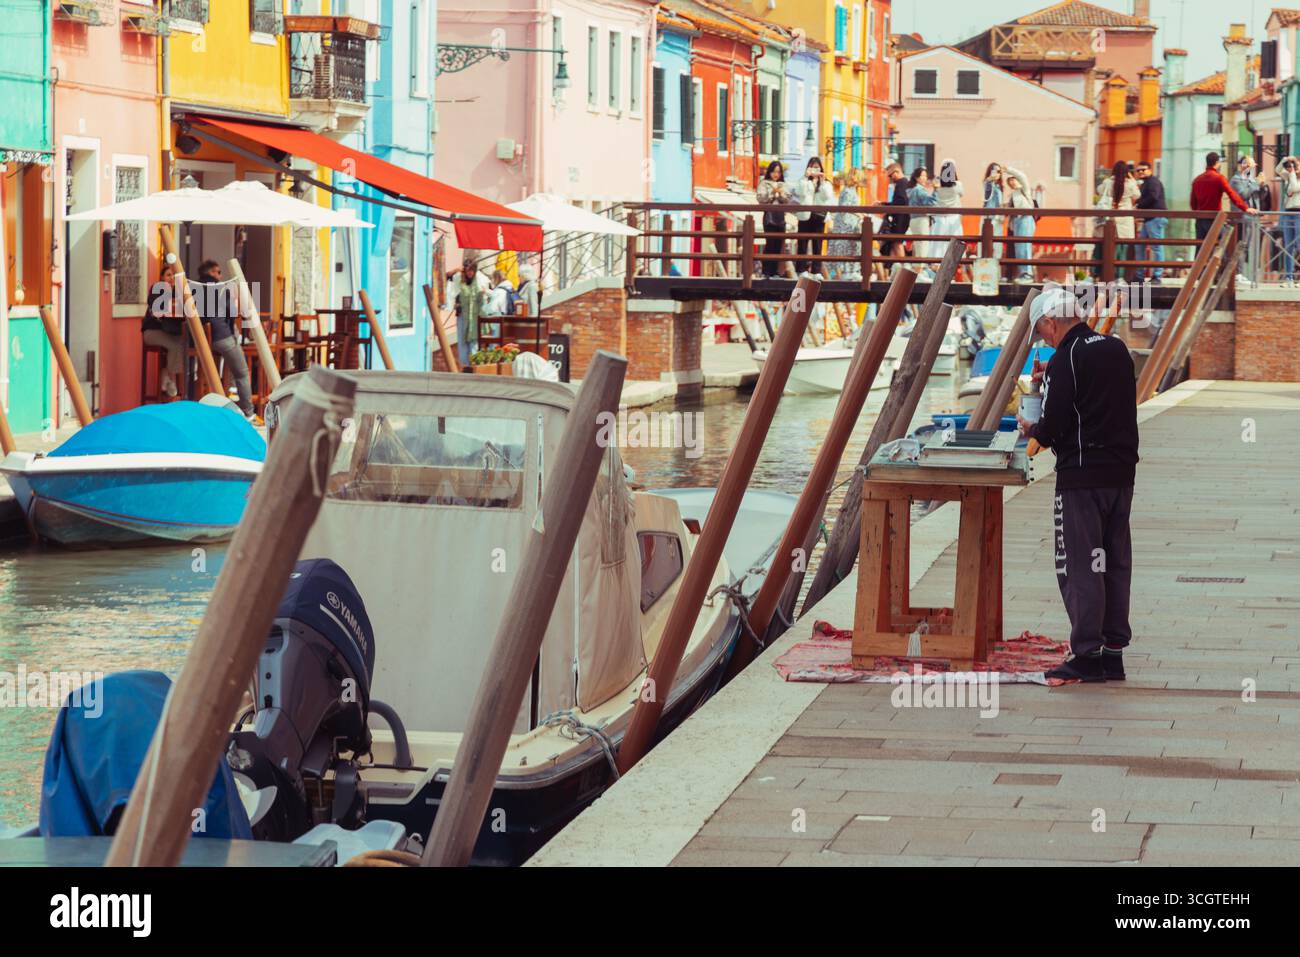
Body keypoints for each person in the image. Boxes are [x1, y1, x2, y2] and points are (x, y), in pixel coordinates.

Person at [1016, 286, 1139, 683]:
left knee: (1081, 565)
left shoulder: (1066, 356)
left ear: (1052, 321)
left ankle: (1087, 654)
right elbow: (1102, 402)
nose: (1044, 340)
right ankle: (1113, 652)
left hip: (1081, 478)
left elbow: (1052, 428)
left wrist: (1031, 426)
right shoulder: (1116, 348)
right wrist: (1052, 378)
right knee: (1114, 562)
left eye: (1042, 331)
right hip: (1120, 475)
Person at [191, 260, 255, 419]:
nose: (220, 276)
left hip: (200, 341)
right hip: (221, 337)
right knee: (242, 373)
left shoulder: (192, 288)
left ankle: (199, 404)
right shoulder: (221, 288)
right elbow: (231, 313)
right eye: (218, 272)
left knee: (201, 374)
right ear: (211, 273)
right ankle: (248, 412)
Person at [1190, 152, 1257, 240]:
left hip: (1200, 220)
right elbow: (1232, 194)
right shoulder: (1219, 178)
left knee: (1200, 248)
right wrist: (1245, 208)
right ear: (1217, 163)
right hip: (1215, 219)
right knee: (1221, 244)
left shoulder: (1197, 180)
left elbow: (1193, 204)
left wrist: (1199, 212)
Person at [142, 262, 184, 398]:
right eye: (168, 275)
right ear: (161, 277)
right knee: (176, 345)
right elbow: (158, 311)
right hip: (152, 332)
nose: (171, 278)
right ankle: (172, 379)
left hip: (168, 333)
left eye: (174, 275)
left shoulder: (179, 293)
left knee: (183, 343)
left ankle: (166, 374)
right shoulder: (157, 289)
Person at [1095, 161, 1141, 278]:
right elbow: (1137, 195)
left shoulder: (1107, 182)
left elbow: (1099, 190)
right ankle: (1119, 276)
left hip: (1111, 219)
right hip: (1125, 220)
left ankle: (1104, 274)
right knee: (1122, 251)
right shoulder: (1130, 184)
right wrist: (1131, 178)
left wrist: (1111, 178)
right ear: (1127, 172)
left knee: (1108, 249)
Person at [447, 254, 489, 368]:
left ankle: (475, 365)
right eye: (468, 270)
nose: (470, 273)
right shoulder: (459, 279)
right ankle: (465, 366)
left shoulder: (480, 280)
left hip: (475, 317)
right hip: (462, 315)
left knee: (474, 341)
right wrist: (456, 270)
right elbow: (446, 277)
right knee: (462, 341)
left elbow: (487, 293)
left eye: (472, 270)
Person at [794, 156, 834, 277]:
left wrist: (821, 182)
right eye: (812, 167)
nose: (815, 170)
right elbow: (800, 192)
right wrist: (806, 178)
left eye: (817, 168)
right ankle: (802, 270)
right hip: (805, 215)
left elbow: (827, 196)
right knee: (803, 243)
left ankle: (816, 271)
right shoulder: (803, 180)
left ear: (821, 169)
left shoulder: (826, 182)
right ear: (808, 168)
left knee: (818, 245)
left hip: (819, 215)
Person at [757, 159, 795, 278]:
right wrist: (773, 193)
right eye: (774, 171)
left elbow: (788, 199)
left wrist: (781, 193)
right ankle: (766, 271)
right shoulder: (764, 183)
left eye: (778, 172)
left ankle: (776, 272)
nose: (776, 174)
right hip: (769, 216)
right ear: (770, 172)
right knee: (770, 244)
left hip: (780, 217)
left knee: (779, 245)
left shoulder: (784, 184)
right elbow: (760, 199)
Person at [1133, 161, 1168, 283]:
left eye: (1143, 169)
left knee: (1156, 247)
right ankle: (1140, 275)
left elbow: (1153, 196)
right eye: (1138, 170)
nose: (1140, 172)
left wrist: (1139, 205)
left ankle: (1157, 276)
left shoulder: (1153, 182)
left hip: (1155, 217)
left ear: (1150, 170)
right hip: (1150, 218)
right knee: (1140, 246)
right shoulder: (1147, 183)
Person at [827, 171, 862, 279]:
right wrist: (860, 214)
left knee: (848, 247)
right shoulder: (847, 191)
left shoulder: (852, 190)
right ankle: (842, 274)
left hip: (849, 222)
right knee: (843, 247)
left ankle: (848, 272)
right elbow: (846, 207)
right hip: (845, 223)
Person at [1004, 166, 1035, 283]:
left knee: (1025, 247)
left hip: (1025, 219)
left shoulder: (1024, 189)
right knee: (1019, 248)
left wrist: (1008, 170)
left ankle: (1028, 274)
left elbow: (1023, 176)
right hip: (1017, 222)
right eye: (1009, 180)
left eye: (1013, 179)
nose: (1011, 182)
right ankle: (1023, 273)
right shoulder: (1013, 194)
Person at [879, 162, 911, 268]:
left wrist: (884, 206)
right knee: (894, 244)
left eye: (890, 175)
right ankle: (894, 270)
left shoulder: (901, 183)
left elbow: (901, 201)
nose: (890, 178)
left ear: (896, 172)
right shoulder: (904, 183)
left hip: (900, 218)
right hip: (902, 217)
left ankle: (904, 270)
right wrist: (884, 204)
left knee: (897, 243)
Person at [906, 166, 937, 263]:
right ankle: (920, 271)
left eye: (925, 176)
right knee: (923, 245)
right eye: (922, 175)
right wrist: (936, 190)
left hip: (914, 220)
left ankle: (918, 270)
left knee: (918, 246)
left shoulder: (912, 190)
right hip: (921, 219)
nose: (924, 178)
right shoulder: (919, 190)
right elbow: (930, 202)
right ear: (916, 177)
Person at [1278, 156, 1300, 285]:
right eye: (1292, 166)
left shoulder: (1292, 178)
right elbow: (1278, 169)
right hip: (1288, 213)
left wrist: (1291, 173)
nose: (1294, 169)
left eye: (1296, 166)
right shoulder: (1289, 177)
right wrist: (1284, 160)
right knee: (1288, 246)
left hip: (1299, 213)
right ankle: (1289, 277)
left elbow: (1295, 188)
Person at [932, 158, 964, 247]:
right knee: (954, 243)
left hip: (940, 217)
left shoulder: (937, 183)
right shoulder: (958, 184)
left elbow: (934, 198)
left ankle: (936, 260)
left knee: (939, 244)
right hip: (954, 217)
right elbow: (961, 194)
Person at [982, 162, 1005, 259]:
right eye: (994, 170)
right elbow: (987, 195)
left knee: (997, 246)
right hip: (989, 218)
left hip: (998, 218)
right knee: (987, 245)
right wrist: (989, 179)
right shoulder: (988, 184)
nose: (997, 173)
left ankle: (996, 268)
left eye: (999, 171)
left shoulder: (1000, 187)